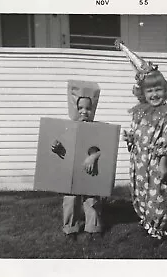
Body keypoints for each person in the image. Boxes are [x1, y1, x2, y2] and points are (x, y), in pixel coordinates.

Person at [123, 69, 167, 240]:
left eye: (158, 89)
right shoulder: (139, 112)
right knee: (140, 190)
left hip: (156, 161)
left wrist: (163, 164)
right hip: (139, 160)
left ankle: (157, 225)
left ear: (165, 90)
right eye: (150, 91)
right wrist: (130, 138)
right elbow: (136, 134)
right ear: (143, 93)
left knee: (157, 193)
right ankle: (146, 219)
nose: (154, 94)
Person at [62, 96, 103, 241]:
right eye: (80, 108)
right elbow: (64, 147)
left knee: (91, 199)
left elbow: (103, 148)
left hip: (90, 170)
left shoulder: (97, 129)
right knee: (71, 199)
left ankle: (93, 228)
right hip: (73, 172)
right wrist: (58, 147)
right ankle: (70, 228)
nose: (84, 111)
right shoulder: (68, 128)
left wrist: (94, 156)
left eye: (88, 108)